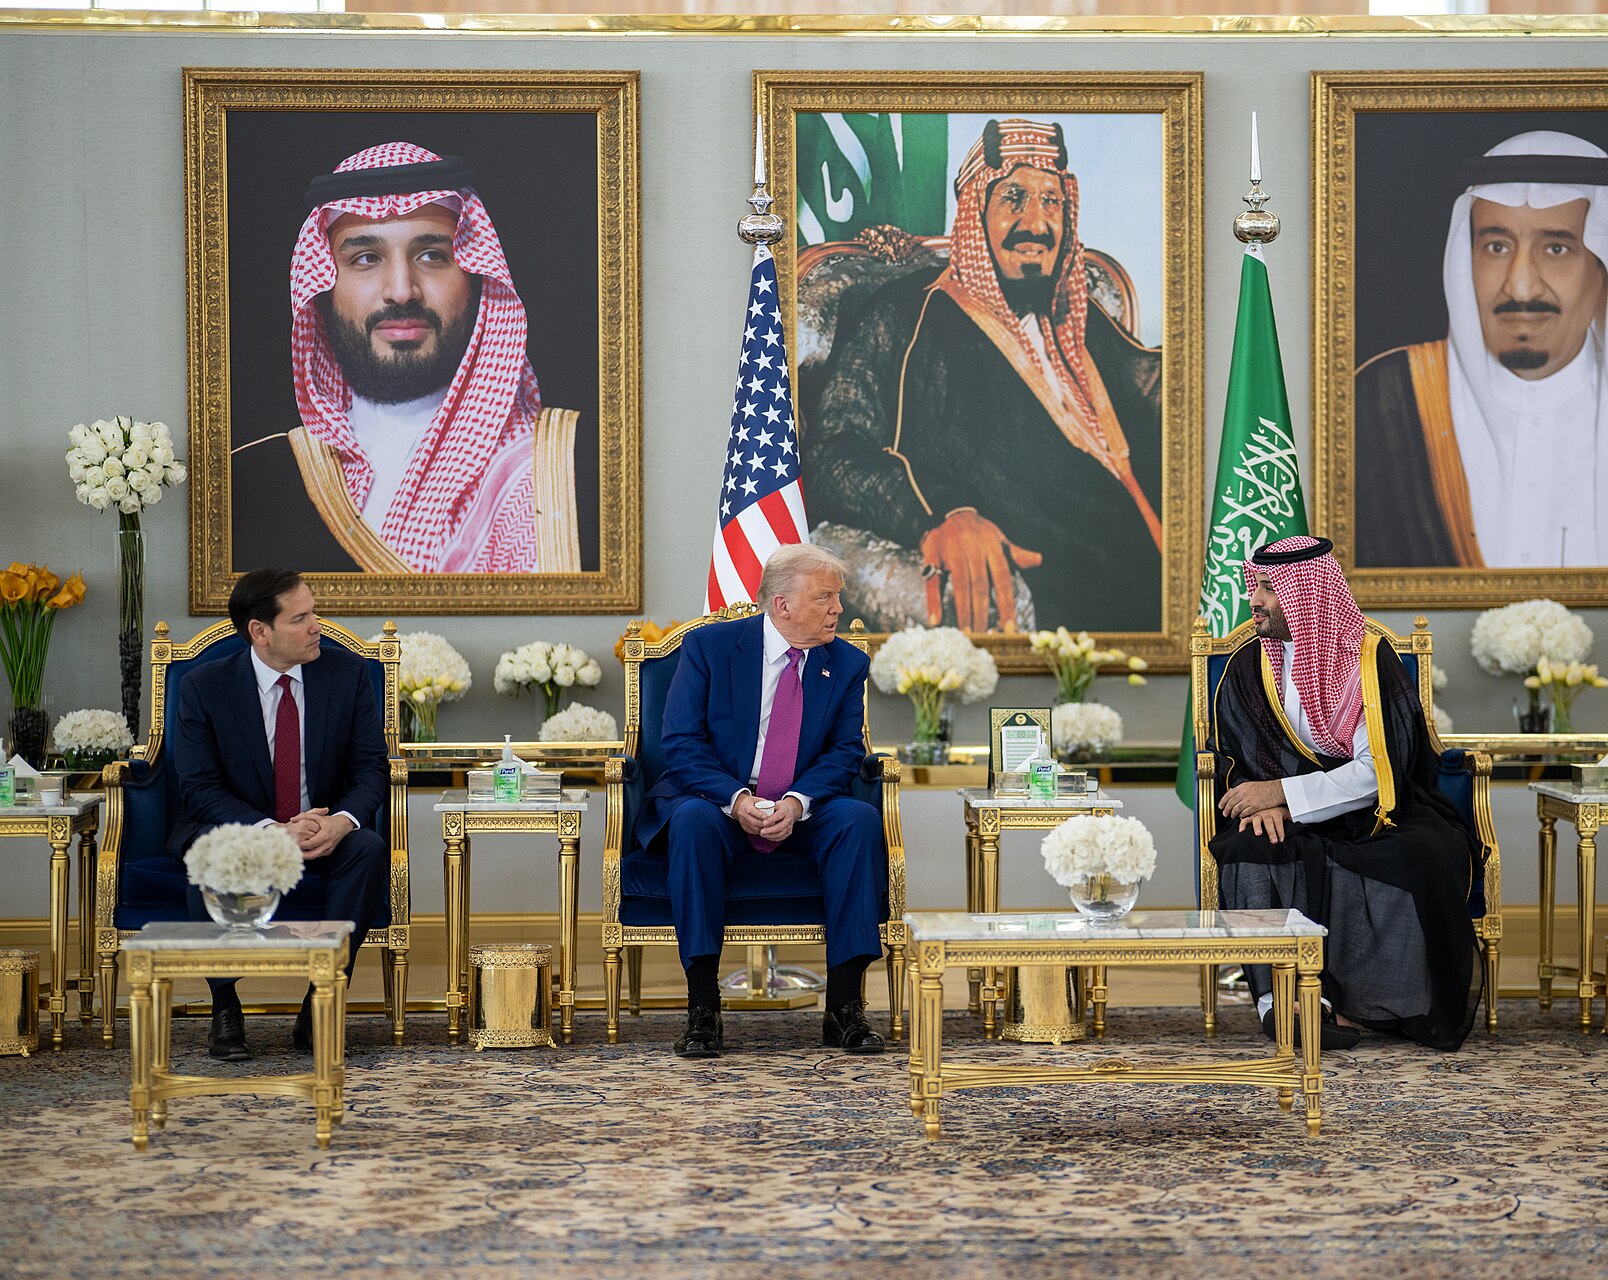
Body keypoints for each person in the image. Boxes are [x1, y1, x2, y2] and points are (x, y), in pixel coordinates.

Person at [806, 117, 1163, 633]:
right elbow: (833, 454)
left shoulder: (1081, 315)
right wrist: (941, 514)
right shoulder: (905, 314)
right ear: (976, 212)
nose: (1037, 223)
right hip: (1058, 579)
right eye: (1014, 198)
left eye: (1051, 201)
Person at [1354, 130, 1608, 570]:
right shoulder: (1385, 400)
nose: (1520, 285)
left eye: (1556, 248)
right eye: (1496, 246)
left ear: (1604, 267)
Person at [231, 141, 581, 575]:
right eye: (365, 258)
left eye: (432, 256)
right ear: (322, 288)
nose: (401, 290)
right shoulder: (259, 481)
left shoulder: (553, 471)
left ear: (475, 278)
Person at [1208, 536, 1482, 1051]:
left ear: (1307, 595)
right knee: (1246, 847)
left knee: (1422, 855)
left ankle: (1374, 1003)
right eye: (1255, 586)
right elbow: (1228, 757)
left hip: (1379, 812)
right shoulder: (1249, 667)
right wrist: (1262, 798)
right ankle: (1280, 1003)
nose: (1255, 600)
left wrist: (1284, 795)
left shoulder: (1367, 664)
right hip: (1287, 812)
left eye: (1269, 588)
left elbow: (1379, 772)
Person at [633, 544, 888, 1058]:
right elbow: (679, 742)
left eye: (838, 597)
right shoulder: (710, 648)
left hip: (803, 802)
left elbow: (844, 752)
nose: (839, 609)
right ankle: (703, 1008)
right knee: (692, 823)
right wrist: (735, 799)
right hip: (718, 797)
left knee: (858, 820)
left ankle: (845, 1008)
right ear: (782, 605)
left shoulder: (846, 663)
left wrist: (796, 803)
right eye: (825, 597)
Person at [171, 568, 391, 1061]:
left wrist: (342, 822)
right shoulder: (206, 687)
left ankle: (321, 1000)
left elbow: (371, 768)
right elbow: (198, 787)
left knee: (369, 849)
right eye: (302, 618)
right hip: (241, 828)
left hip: (323, 827)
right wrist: (272, 830)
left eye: (313, 612)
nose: (318, 626)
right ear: (260, 631)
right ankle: (225, 1007)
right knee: (208, 854)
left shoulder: (346, 674)